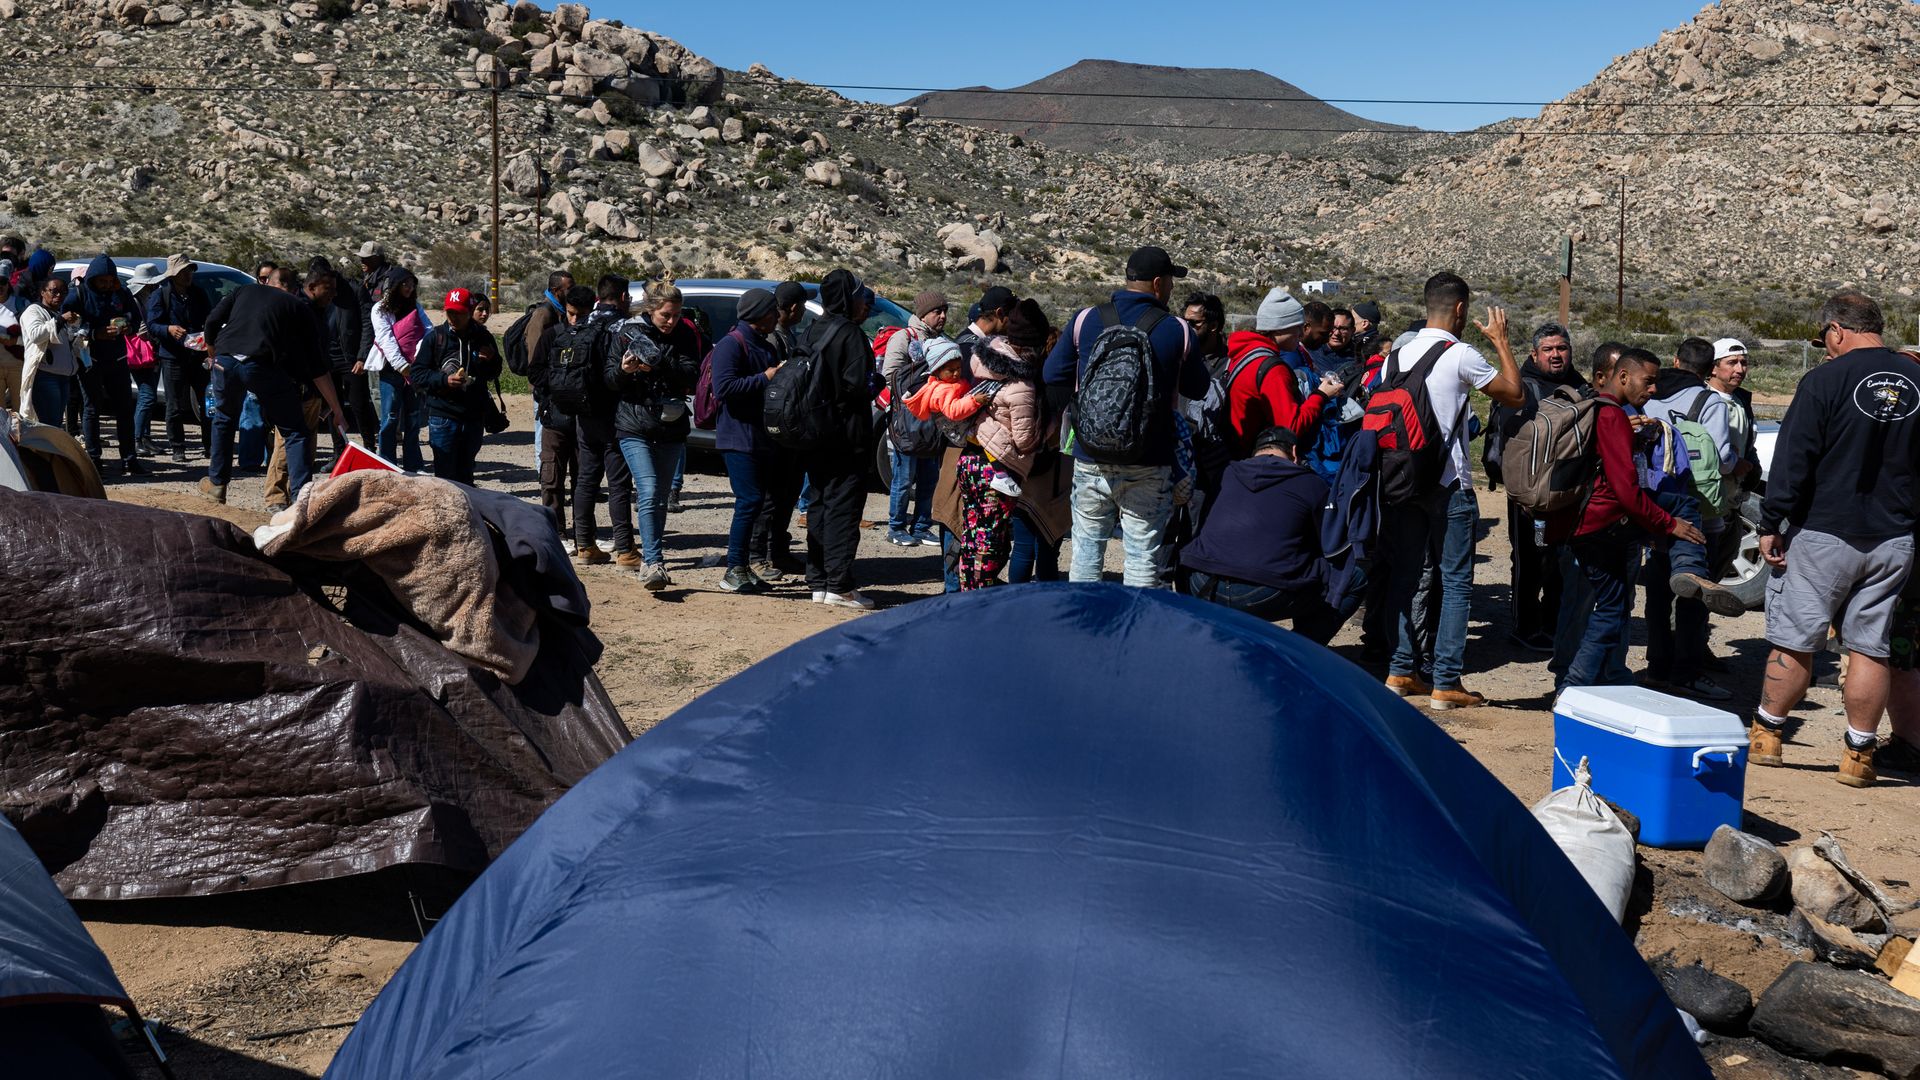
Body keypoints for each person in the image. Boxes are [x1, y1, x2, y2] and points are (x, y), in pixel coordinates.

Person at [1751, 292, 1920, 788]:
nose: (1825, 348)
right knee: (1870, 646)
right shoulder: (1917, 379)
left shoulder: (1824, 379)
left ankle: (1767, 735)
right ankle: (1859, 755)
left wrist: (1770, 521)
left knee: (1796, 637)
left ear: (1837, 330)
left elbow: (1794, 456)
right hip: (1895, 537)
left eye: (1824, 338)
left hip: (1825, 530)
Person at [1378, 273, 1525, 710]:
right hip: (1449, 483)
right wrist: (1500, 341)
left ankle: (1401, 669)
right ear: (1460, 309)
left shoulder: (1394, 358)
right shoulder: (1460, 354)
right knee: (1457, 583)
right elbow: (1514, 394)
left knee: (1407, 576)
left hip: (1402, 481)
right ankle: (1446, 681)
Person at [1043, 246, 1208, 587]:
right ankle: (1135, 631)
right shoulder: (1177, 329)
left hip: (1090, 455)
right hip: (1150, 459)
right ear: (1159, 283)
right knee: (1142, 556)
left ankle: (1085, 625)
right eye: (1171, 283)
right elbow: (1199, 387)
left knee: (1087, 550)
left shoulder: (1086, 319)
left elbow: (1051, 374)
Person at [1547, 347, 1704, 690]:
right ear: (1623, 377)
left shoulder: (1595, 410)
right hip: (1603, 523)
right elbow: (1626, 492)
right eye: (1647, 382)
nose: (1652, 390)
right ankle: (1689, 570)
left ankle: (1575, 684)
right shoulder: (1613, 416)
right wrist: (1667, 524)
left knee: (1612, 607)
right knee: (1610, 608)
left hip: (1583, 521)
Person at [1181, 426, 1344, 643]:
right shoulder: (1311, 483)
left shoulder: (1226, 473)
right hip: (1262, 591)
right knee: (1350, 576)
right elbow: (1328, 541)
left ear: (1255, 452)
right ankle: (1297, 650)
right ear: (1294, 452)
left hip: (1202, 583)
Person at [199, 267, 344, 506]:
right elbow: (317, 367)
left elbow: (212, 321)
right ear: (295, 288)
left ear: (268, 282)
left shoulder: (243, 291)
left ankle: (217, 484)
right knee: (295, 432)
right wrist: (336, 408)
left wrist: (213, 352)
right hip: (259, 364)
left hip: (224, 361)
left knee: (224, 419)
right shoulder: (298, 307)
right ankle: (300, 498)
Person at [1485, 322, 1587, 651]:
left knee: (1561, 558)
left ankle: (1553, 623)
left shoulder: (1578, 384)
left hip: (1566, 490)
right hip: (1529, 495)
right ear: (1534, 353)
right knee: (1531, 559)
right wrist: (1521, 493)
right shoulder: (1522, 388)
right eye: (1549, 350)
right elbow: (1508, 445)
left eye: (1562, 348)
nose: (1556, 355)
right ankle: (1525, 627)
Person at [949, 300, 1049, 589]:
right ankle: (979, 603)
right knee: (990, 543)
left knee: (973, 536)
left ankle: (967, 594)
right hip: (996, 471)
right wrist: (1049, 426)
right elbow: (1025, 440)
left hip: (970, 460)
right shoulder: (1021, 387)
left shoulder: (982, 363)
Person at [608, 280, 701, 588]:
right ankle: (652, 562)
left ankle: (652, 556)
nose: (671, 321)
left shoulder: (687, 334)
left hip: (671, 425)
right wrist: (625, 370)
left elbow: (692, 374)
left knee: (660, 497)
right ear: (651, 310)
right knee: (647, 491)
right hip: (633, 424)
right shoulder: (626, 333)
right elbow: (609, 380)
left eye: (676, 315)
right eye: (665, 315)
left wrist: (658, 366)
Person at [799, 268, 878, 610]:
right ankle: (841, 586)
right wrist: (877, 384)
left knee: (818, 504)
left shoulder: (814, 329)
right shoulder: (850, 334)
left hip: (815, 434)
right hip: (846, 437)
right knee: (843, 509)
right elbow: (858, 385)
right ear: (849, 299)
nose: (865, 304)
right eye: (862, 297)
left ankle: (818, 581)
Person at [709, 288, 785, 594]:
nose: (777, 318)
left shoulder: (764, 346)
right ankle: (733, 570)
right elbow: (724, 388)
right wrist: (766, 377)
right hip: (737, 437)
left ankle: (743, 567)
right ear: (761, 315)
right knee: (749, 501)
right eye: (773, 312)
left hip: (760, 436)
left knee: (757, 503)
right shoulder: (731, 344)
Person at [261, 270, 344, 511]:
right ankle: (275, 497)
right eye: (329, 289)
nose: (333, 294)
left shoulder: (319, 313)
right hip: (293, 388)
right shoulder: (298, 311)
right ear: (313, 286)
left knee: (307, 446)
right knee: (285, 445)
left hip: (312, 391)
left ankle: (295, 496)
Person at [1224, 288, 1342, 456]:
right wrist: (1321, 395)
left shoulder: (1245, 352)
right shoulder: (1273, 369)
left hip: (1237, 451)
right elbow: (1291, 427)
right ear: (1278, 327)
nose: (1301, 334)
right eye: (1297, 327)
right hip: (1259, 458)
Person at [408, 287, 503, 486]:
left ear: (469, 312)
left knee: (466, 473)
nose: (453, 318)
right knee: (444, 477)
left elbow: (494, 372)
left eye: (459, 313)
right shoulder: (436, 337)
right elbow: (417, 374)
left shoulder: (483, 337)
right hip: (443, 416)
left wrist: (492, 360)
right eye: (450, 312)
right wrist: (445, 380)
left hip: (473, 417)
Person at [61, 254, 146, 474]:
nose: (107, 285)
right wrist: (95, 333)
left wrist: (129, 327)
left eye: (110, 281)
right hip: (90, 359)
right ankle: (94, 460)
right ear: (93, 279)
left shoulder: (122, 293)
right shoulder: (79, 294)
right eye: (102, 281)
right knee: (91, 409)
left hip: (117, 359)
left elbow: (136, 319)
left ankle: (129, 458)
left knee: (125, 410)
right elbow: (67, 325)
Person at [748, 281, 810, 582]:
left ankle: (778, 551)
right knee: (770, 497)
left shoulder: (785, 335)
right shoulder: (772, 339)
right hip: (774, 431)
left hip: (789, 432)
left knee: (786, 494)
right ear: (795, 307)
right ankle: (757, 555)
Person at [882, 289, 950, 548]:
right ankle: (895, 527)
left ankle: (922, 526)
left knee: (929, 477)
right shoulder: (903, 338)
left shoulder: (941, 339)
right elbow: (890, 375)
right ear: (923, 314)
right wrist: (922, 386)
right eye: (937, 311)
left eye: (944, 311)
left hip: (933, 423)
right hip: (908, 422)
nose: (942, 316)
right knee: (903, 478)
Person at [145, 254, 213, 463]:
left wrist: (207, 342)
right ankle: (178, 446)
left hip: (198, 354)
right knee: (174, 405)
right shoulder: (160, 296)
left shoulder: (199, 294)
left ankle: (210, 445)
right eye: (183, 272)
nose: (188, 275)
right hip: (173, 357)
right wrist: (168, 329)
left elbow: (209, 320)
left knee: (206, 403)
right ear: (173, 275)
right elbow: (152, 325)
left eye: (190, 271)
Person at [367, 268, 430, 471]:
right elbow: (386, 338)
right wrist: (401, 365)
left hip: (413, 369)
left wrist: (417, 360)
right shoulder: (380, 309)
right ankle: (386, 463)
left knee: (413, 417)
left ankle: (413, 464)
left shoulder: (416, 307)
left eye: (412, 284)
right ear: (395, 285)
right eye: (405, 283)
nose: (409, 288)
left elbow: (427, 332)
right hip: (391, 370)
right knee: (390, 417)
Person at [307, 257, 365, 459]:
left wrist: (362, 355)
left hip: (350, 357)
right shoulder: (311, 297)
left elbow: (367, 322)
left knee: (359, 405)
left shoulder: (352, 290)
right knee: (332, 407)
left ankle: (370, 449)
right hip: (326, 359)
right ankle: (338, 453)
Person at [19, 276, 78, 426]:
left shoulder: (57, 313)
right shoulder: (33, 311)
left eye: (63, 292)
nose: (59, 295)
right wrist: (61, 321)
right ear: (43, 292)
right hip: (45, 375)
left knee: (55, 422)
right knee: (48, 423)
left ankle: (50, 450)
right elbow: (36, 335)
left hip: (63, 376)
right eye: (54, 291)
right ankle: (45, 450)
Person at [955, 285, 1016, 361]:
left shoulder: (974, 344)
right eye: (1013, 316)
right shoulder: (969, 350)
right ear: (1000, 313)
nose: (1016, 321)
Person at [0, 263, 23, 413]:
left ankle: (23, 438)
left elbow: (32, 335)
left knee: (21, 412)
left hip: (17, 366)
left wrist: (15, 341)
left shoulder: (21, 304)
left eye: (2, 282)